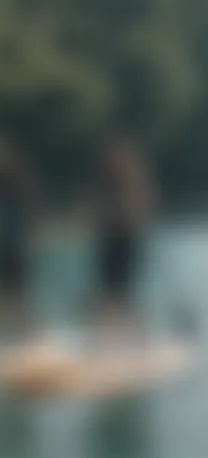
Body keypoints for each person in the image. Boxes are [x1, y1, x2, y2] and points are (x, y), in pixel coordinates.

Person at [91, 137, 154, 336]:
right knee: (107, 295)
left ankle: (140, 339)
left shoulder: (133, 184)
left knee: (124, 297)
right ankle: (107, 340)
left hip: (126, 246)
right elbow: (97, 217)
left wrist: (123, 215)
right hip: (109, 245)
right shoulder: (105, 186)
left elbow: (139, 214)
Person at [0, 141, 39, 340]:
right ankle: (4, 338)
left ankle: (25, 336)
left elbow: (30, 217)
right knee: (0, 296)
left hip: (15, 249)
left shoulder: (19, 187)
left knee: (16, 296)